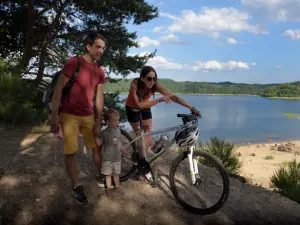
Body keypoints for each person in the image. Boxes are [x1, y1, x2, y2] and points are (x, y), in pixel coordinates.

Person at [50, 32, 106, 204]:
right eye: (98, 47)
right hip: (69, 115)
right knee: (71, 151)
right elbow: (59, 89)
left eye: (103, 48)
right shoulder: (74, 62)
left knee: (97, 146)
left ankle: (101, 175)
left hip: (88, 115)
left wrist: (98, 121)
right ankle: (77, 185)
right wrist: (54, 117)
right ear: (88, 47)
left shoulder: (99, 71)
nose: (100, 51)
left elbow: (99, 97)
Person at [125, 66, 201, 160]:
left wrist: (192, 108)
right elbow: (139, 105)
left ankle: (145, 153)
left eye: (154, 79)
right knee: (139, 135)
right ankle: (141, 163)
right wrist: (159, 100)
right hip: (133, 108)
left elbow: (174, 97)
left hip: (146, 106)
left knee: (148, 132)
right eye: (149, 78)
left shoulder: (155, 86)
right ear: (142, 78)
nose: (152, 81)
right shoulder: (135, 84)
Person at [96, 108, 129, 197]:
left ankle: (117, 187)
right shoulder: (104, 132)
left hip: (117, 158)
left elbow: (119, 142)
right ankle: (109, 188)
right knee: (108, 175)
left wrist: (123, 150)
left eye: (118, 121)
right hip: (107, 159)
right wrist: (95, 136)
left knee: (116, 174)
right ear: (107, 122)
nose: (117, 123)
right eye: (115, 121)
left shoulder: (118, 130)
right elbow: (99, 143)